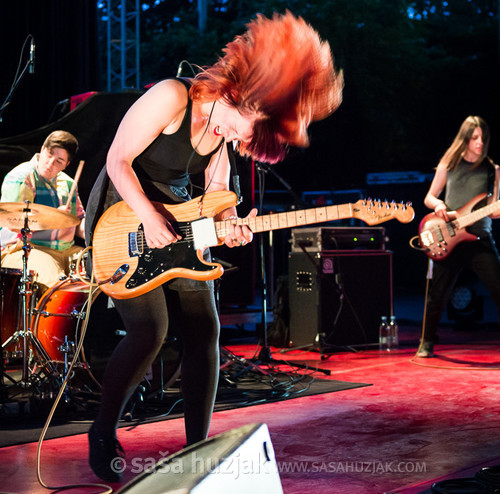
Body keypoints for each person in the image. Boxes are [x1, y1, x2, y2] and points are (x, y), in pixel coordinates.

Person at [84, 11, 343, 482]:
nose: (238, 138)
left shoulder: (224, 137)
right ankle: (102, 431)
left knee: (205, 329)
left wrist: (232, 226)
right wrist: (148, 215)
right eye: (243, 128)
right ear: (235, 93)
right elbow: (117, 160)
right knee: (151, 329)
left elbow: (220, 200)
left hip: (181, 221)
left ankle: (198, 453)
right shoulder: (170, 96)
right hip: (123, 214)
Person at [417, 116, 500, 362]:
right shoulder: (448, 164)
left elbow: (495, 210)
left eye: (483, 138)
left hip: (480, 237)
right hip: (449, 236)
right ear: (465, 139)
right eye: (474, 138)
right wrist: (438, 205)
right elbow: (429, 197)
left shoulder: (493, 170)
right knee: (437, 293)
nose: (480, 143)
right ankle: (426, 342)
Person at [0, 130, 86, 291]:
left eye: (59, 161)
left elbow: (79, 221)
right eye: (50, 154)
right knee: (57, 282)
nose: (50, 163)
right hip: (24, 249)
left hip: (65, 249)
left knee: (99, 271)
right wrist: (53, 219)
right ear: (42, 149)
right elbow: (14, 223)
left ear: (67, 164)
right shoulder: (22, 177)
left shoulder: (68, 183)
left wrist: (96, 232)